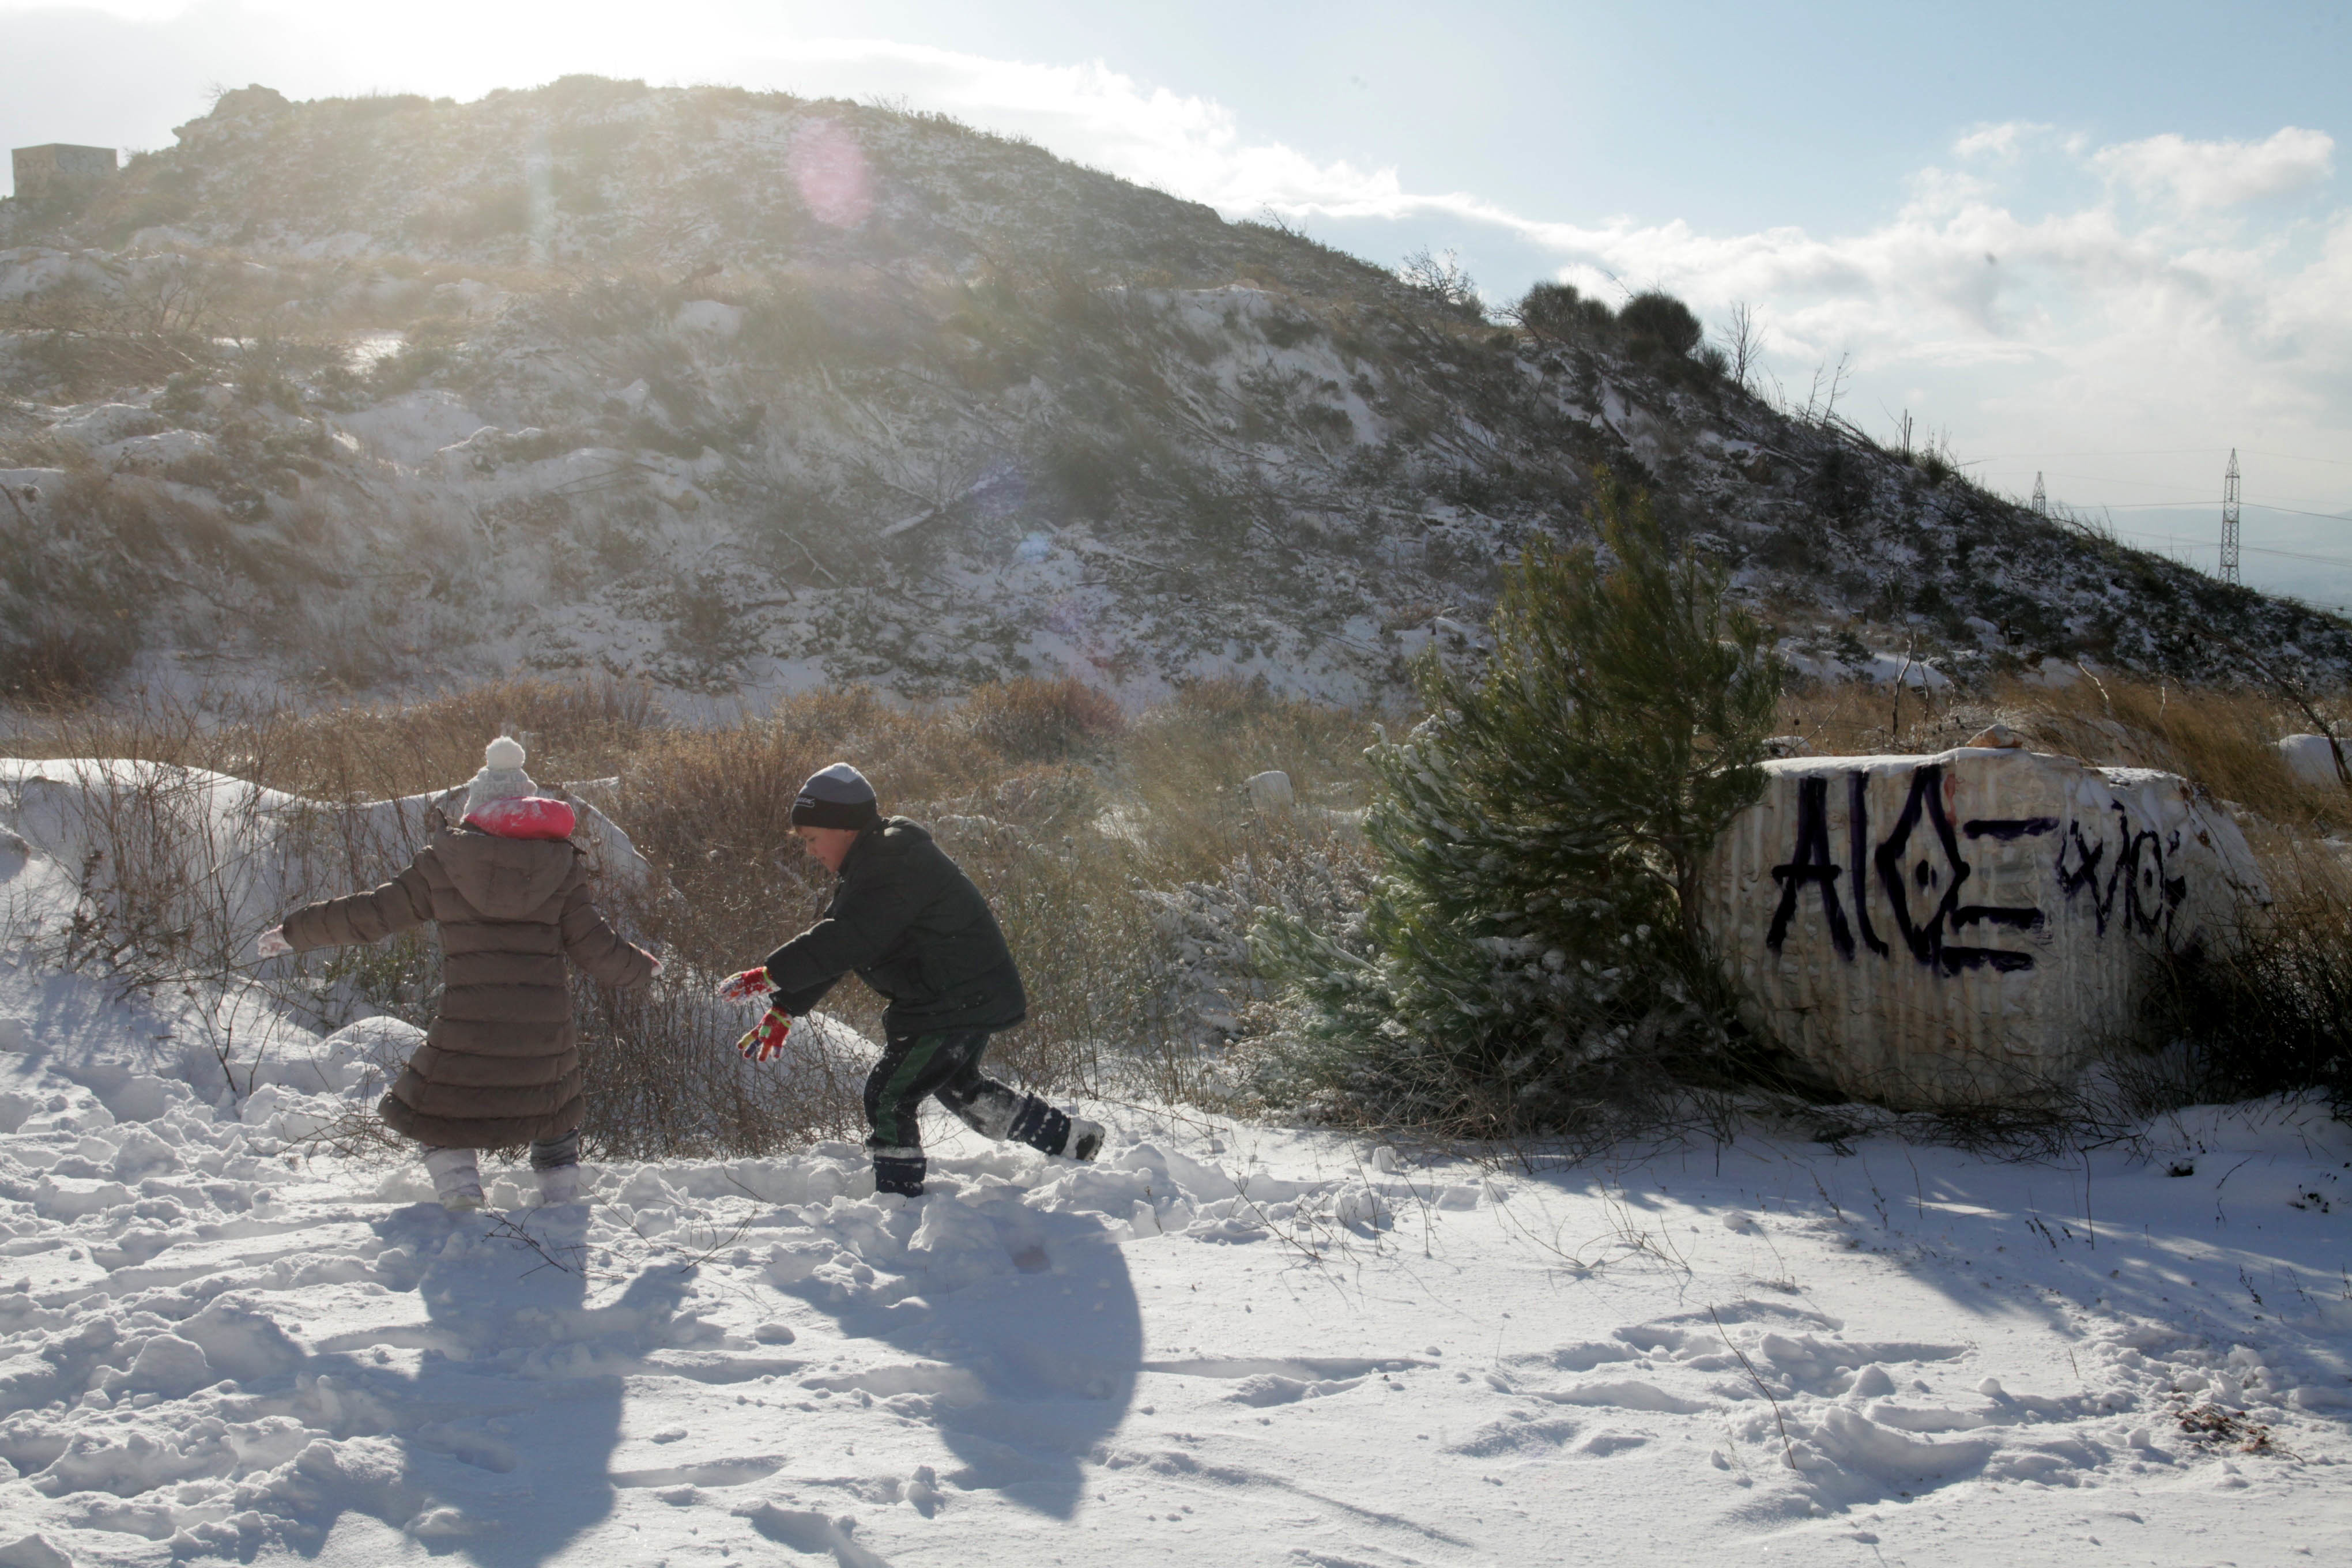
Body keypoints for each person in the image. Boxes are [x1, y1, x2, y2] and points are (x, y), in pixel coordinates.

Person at [258, 737, 659, 1211]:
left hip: (469, 1016)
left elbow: (374, 913)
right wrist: (646, 972)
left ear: (476, 809)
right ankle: (561, 1196)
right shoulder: (561, 866)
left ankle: (460, 1188)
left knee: (436, 1103)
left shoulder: (444, 864)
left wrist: (295, 932)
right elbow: (595, 943)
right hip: (543, 1023)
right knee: (554, 1103)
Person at [723, 762, 1102, 1197]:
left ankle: (898, 1201)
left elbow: (846, 938)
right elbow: (844, 941)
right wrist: (786, 1006)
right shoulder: (877, 862)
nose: (810, 851)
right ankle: (1070, 1139)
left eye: (812, 839)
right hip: (957, 997)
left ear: (844, 828)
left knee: (888, 1096)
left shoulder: (893, 863)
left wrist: (770, 974)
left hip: (950, 1002)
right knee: (961, 1089)